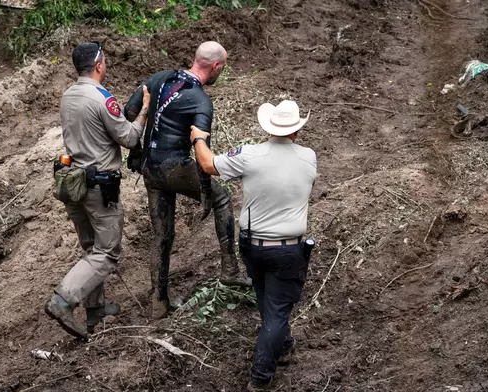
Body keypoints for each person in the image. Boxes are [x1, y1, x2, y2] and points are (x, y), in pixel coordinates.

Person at [190, 100, 317, 391]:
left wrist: (198, 138)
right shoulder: (309, 157)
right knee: (277, 310)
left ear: (268, 128)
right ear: (297, 130)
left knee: (266, 300)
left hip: (253, 247)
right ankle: (260, 378)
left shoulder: (249, 155)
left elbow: (208, 164)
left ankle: (282, 346)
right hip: (287, 249)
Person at [122, 41, 250, 320]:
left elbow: (129, 113)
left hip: (150, 169)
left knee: (162, 235)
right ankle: (230, 270)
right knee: (222, 197)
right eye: (222, 68)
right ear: (215, 66)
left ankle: (158, 303)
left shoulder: (159, 78)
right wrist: (204, 191)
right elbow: (202, 153)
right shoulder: (201, 100)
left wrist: (137, 151)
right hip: (174, 167)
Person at [45, 41, 151, 340]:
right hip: (99, 186)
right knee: (107, 252)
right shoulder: (102, 98)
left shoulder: (67, 95)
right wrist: (144, 111)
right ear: (100, 64)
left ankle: (95, 311)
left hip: (72, 183)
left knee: (92, 248)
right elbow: (128, 138)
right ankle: (62, 301)